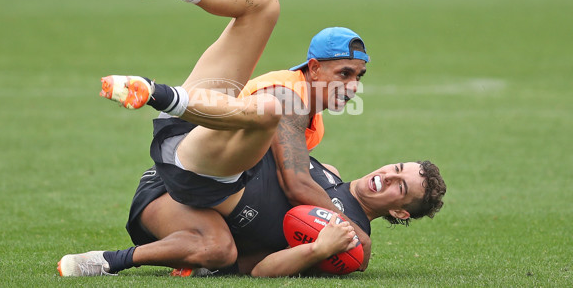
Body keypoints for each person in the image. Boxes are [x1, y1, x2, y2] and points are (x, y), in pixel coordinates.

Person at [60, 0, 373, 276]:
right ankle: (158, 92)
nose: (352, 86)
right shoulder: (289, 94)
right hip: (202, 162)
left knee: (265, 7)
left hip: (196, 148)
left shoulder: (312, 123)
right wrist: (346, 231)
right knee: (267, 34)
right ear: (314, 68)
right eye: (345, 73)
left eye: (359, 76)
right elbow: (296, 183)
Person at [59, 117, 446, 276]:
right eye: (396, 168)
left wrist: (316, 250)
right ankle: (176, 105)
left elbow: (259, 270)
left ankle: (108, 261)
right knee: (263, 114)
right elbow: (280, 128)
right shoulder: (329, 173)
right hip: (177, 186)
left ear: (401, 212)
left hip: (196, 221)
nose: (387, 176)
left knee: (219, 250)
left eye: (400, 186)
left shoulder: (349, 246)